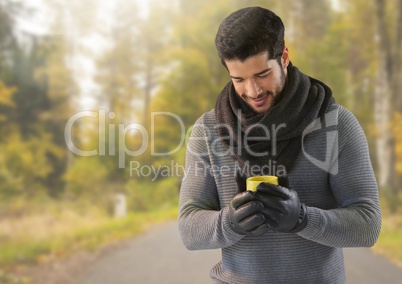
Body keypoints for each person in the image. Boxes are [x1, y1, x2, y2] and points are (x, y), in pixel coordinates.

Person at [178, 6, 381, 284]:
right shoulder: (208, 130)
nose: (253, 91)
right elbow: (189, 230)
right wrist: (229, 222)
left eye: (262, 74)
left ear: (284, 56)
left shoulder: (337, 124)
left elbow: (368, 225)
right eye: (239, 79)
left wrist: (303, 219)